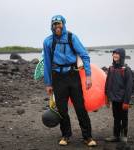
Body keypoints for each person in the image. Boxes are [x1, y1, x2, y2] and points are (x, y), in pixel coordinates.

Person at [43, 15, 96, 146]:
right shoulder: (48, 41)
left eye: (59, 23)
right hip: (58, 78)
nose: (57, 26)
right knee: (62, 109)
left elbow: (84, 56)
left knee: (80, 107)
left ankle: (87, 137)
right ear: (51, 26)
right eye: (54, 24)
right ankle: (66, 135)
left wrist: (88, 76)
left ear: (63, 24)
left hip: (73, 75)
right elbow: (47, 63)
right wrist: (48, 83)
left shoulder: (72, 37)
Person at [105, 48, 134, 143]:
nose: (115, 55)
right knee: (116, 118)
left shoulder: (126, 69)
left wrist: (126, 101)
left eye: (117, 54)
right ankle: (116, 135)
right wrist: (107, 97)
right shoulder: (111, 68)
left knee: (124, 117)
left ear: (121, 55)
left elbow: (129, 87)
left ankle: (124, 135)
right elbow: (107, 83)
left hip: (123, 99)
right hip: (114, 99)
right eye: (114, 54)